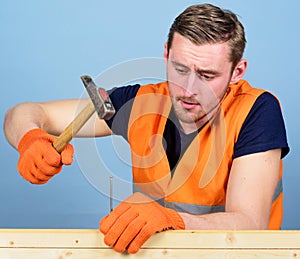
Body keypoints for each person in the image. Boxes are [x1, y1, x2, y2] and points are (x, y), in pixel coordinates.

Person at [4, 3, 289, 254]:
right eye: (180, 69)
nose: (189, 90)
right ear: (166, 55)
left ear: (237, 72)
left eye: (207, 75)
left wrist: (172, 220)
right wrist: (29, 137)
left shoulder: (256, 111)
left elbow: (251, 224)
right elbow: (25, 112)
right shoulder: (139, 102)